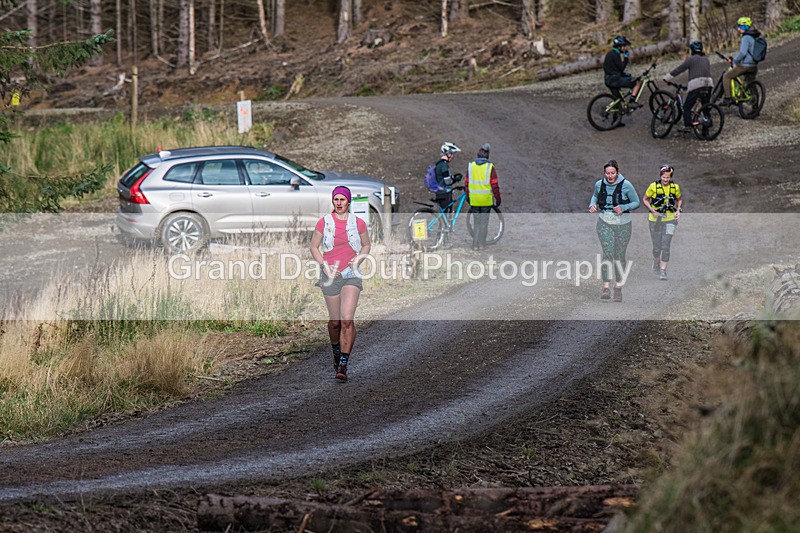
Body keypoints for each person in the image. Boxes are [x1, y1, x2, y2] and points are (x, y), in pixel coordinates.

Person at [309, 186, 371, 382]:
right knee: (335, 322)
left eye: (342, 199)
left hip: (350, 273)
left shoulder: (358, 223)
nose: (339, 203)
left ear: (348, 201)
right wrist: (324, 266)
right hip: (330, 274)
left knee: (346, 319)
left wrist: (359, 259)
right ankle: (336, 350)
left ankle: (343, 364)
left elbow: (366, 244)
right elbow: (314, 247)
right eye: (336, 199)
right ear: (332, 201)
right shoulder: (324, 222)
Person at [588, 160, 640, 302]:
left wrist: (623, 208)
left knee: (619, 256)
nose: (610, 176)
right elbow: (595, 196)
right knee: (608, 253)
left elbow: (636, 202)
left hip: (623, 224)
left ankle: (618, 287)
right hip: (605, 222)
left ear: (617, 172)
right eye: (607, 173)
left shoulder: (626, 185)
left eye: (612, 173)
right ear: (604, 173)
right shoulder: (599, 184)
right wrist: (592, 205)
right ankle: (606, 287)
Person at [663, 41, 713, 132]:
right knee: (705, 107)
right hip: (709, 84)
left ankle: (688, 125)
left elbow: (680, 69)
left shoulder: (691, 59)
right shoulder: (706, 59)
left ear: (692, 50)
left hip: (697, 84)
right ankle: (706, 130)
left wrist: (667, 77)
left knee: (687, 107)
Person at [643, 165, 682, 281]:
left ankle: (663, 270)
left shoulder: (675, 188)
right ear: (661, 176)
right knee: (657, 247)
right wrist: (652, 210)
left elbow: (679, 199)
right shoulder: (653, 186)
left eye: (668, 178)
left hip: (670, 220)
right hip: (655, 220)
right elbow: (645, 199)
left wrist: (678, 210)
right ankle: (656, 262)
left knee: (666, 245)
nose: (665, 180)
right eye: (664, 177)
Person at [465, 143, 501, 251]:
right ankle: (482, 244)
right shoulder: (490, 167)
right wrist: (498, 198)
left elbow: (466, 183)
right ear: (487, 156)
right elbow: (494, 185)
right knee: (484, 222)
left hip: (474, 199)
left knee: (476, 221)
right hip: (486, 200)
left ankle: (475, 244)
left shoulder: (471, 166)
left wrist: (468, 196)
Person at [603, 35, 642, 126]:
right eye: (624, 46)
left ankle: (616, 121)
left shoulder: (610, 54)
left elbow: (613, 69)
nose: (625, 48)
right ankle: (632, 102)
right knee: (637, 83)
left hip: (608, 79)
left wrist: (624, 75)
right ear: (619, 47)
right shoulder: (615, 55)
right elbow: (621, 67)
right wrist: (626, 58)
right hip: (614, 80)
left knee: (617, 99)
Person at [721, 17, 760, 106]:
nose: (738, 29)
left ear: (745, 27)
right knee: (751, 84)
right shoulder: (754, 36)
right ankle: (756, 107)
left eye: (740, 27)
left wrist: (735, 60)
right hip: (754, 66)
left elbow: (742, 53)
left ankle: (728, 98)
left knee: (726, 76)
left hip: (745, 66)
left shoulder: (745, 37)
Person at [433, 141, 463, 214]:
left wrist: (452, 177)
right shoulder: (444, 165)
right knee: (446, 214)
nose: (452, 156)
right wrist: (456, 179)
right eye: (452, 154)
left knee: (443, 214)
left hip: (439, 192)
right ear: (448, 154)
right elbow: (447, 181)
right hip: (445, 193)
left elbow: (444, 177)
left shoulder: (439, 163)